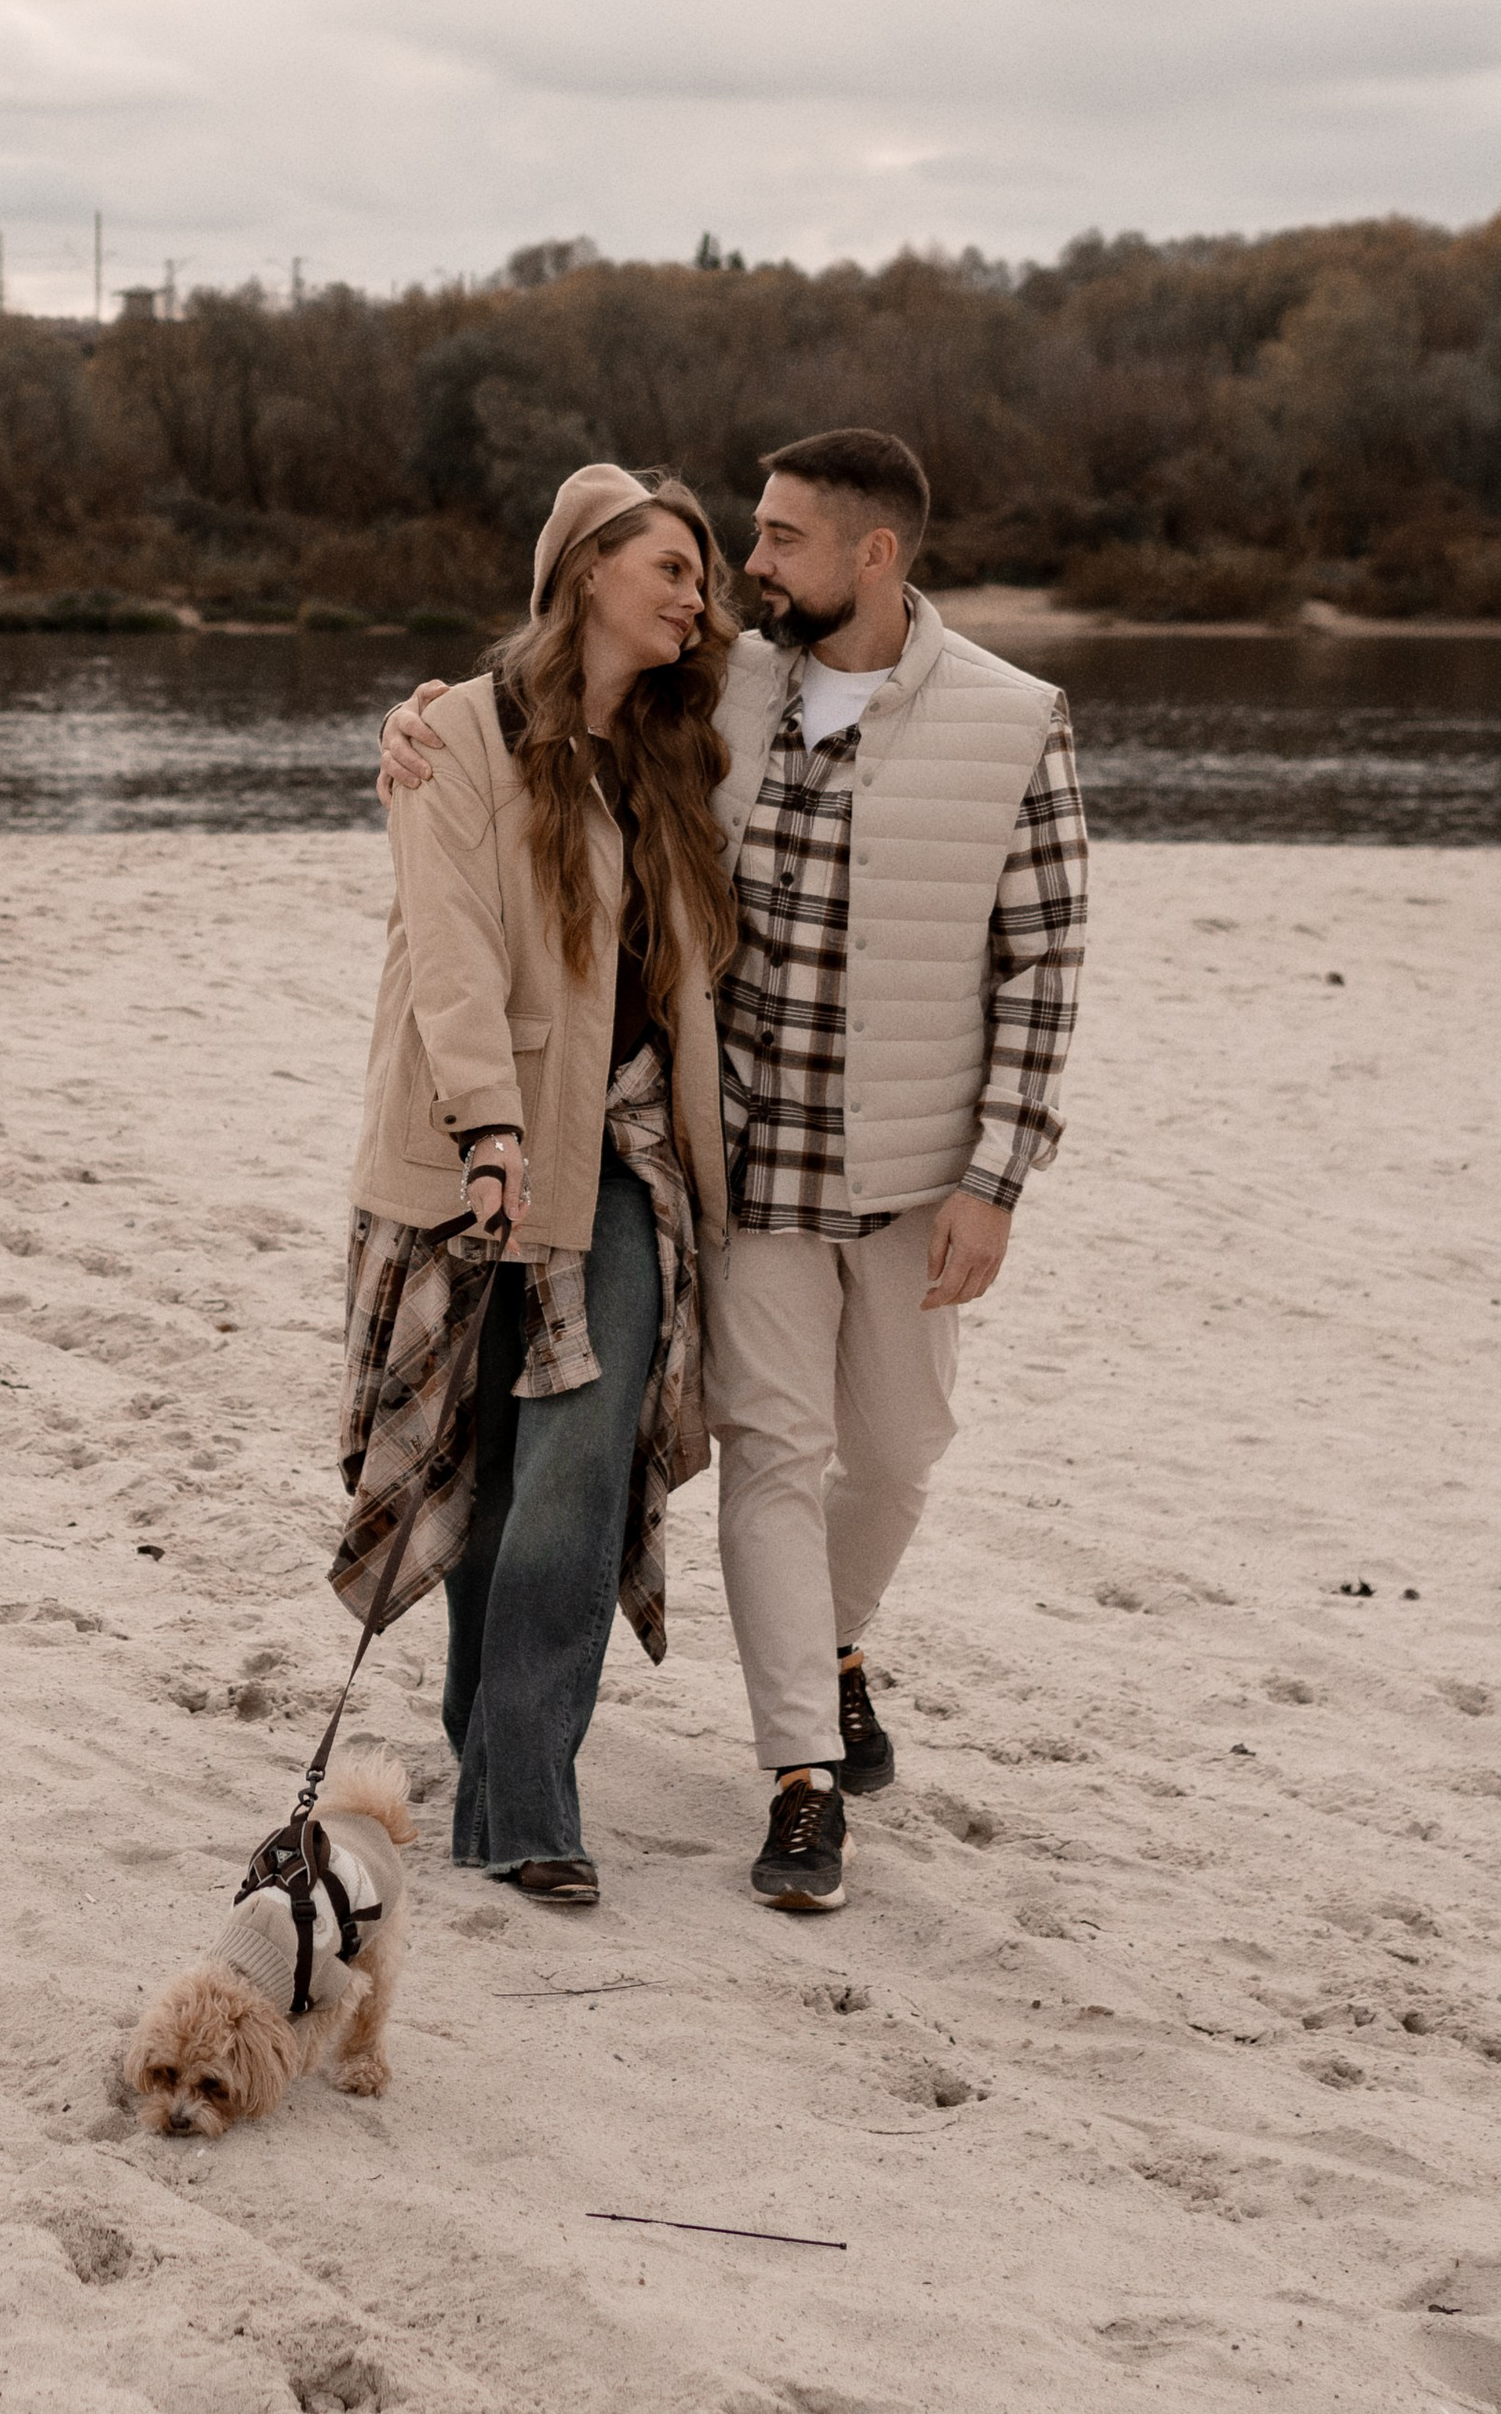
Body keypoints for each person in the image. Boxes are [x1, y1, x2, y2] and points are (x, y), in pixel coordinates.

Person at [381, 427, 1087, 1916]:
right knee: (638, 1469)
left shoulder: (952, 718)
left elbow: (1041, 971)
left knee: (836, 1459)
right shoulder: (659, 703)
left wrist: (998, 1177)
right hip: (635, 1161)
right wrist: (421, 717)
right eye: (711, 556)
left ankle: (811, 1653)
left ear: (873, 554)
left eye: (762, 547)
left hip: (787, 1167)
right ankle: (687, 1787)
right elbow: (479, 855)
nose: (734, 582)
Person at [336, 463, 737, 1910]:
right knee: (489, 1483)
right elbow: (449, 952)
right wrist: (489, 1133)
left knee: (578, 1463)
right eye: (671, 570)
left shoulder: (687, 744)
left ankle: (524, 1804)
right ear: (584, 575)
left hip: (632, 1157)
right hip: (475, 1153)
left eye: (706, 575)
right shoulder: (453, 735)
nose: (699, 597)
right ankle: (493, 1756)